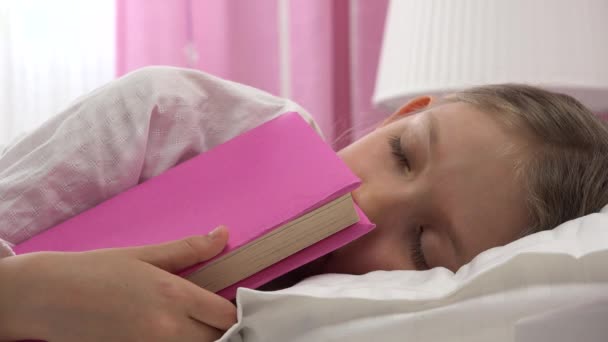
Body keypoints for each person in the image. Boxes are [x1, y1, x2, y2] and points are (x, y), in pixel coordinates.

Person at [1, 67, 607, 341]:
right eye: (400, 153)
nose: (365, 199)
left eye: (422, 247)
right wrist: (23, 294)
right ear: (401, 116)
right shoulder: (172, 119)